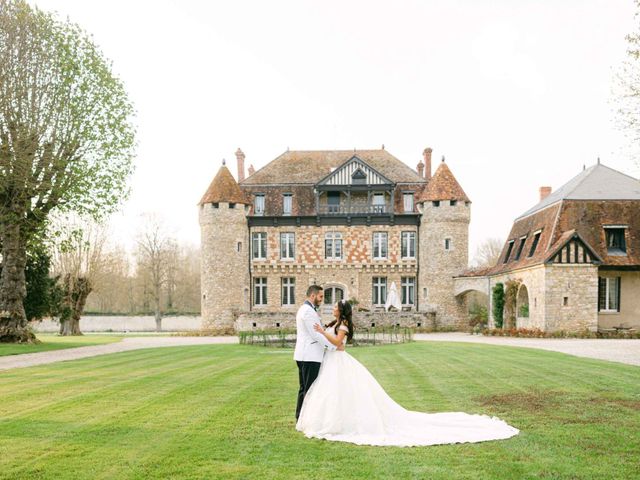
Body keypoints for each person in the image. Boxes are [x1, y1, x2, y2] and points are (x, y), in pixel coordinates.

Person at [296, 299, 519, 447]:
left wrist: (321, 334)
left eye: (335, 306)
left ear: (341, 310)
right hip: (332, 362)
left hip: (339, 361)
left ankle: (340, 422)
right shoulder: (336, 321)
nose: (333, 307)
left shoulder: (343, 324)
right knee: (334, 394)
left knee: (342, 392)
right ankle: (334, 420)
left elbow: (338, 343)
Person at [294, 285, 344, 420]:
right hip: (310, 355)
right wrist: (334, 347)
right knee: (309, 389)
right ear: (313, 296)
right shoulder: (308, 311)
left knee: (304, 388)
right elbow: (316, 335)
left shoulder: (306, 309)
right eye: (321, 296)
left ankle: (300, 416)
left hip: (305, 354)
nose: (322, 299)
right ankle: (304, 418)